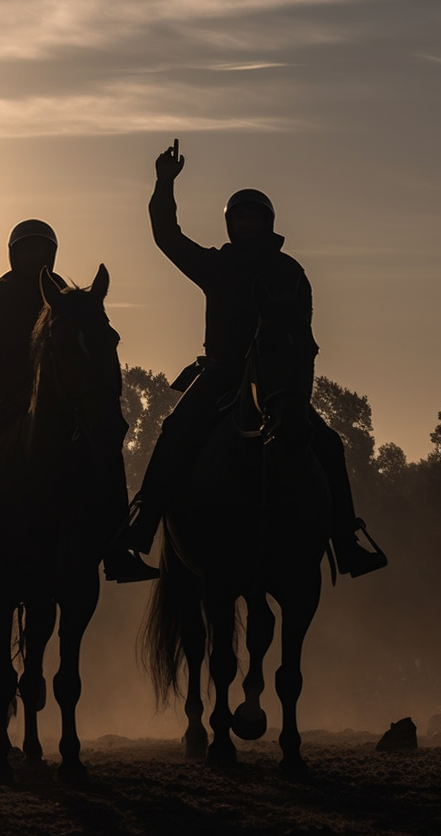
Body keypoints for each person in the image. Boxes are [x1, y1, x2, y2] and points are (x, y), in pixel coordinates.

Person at [116, 139, 387, 578]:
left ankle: (345, 538)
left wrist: (294, 388)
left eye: (254, 218)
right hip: (222, 376)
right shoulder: (215, 266)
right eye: (240, 218)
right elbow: (167, 236)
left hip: (278, 384)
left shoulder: (291, 272)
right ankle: (141, 528)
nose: (246, 225)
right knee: (175, 430)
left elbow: (304, 339)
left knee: (330, 446)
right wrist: (164, 183)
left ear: (267, 223)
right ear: (231, 225)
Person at [0, 211, 158, 583]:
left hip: (62, 398)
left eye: (42, 251)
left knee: (106, 447)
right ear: (14, 256)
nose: (35, 257)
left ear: (52, 256)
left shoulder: (67, 299)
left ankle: (117, 548)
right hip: (7, 393)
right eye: (27, 251)